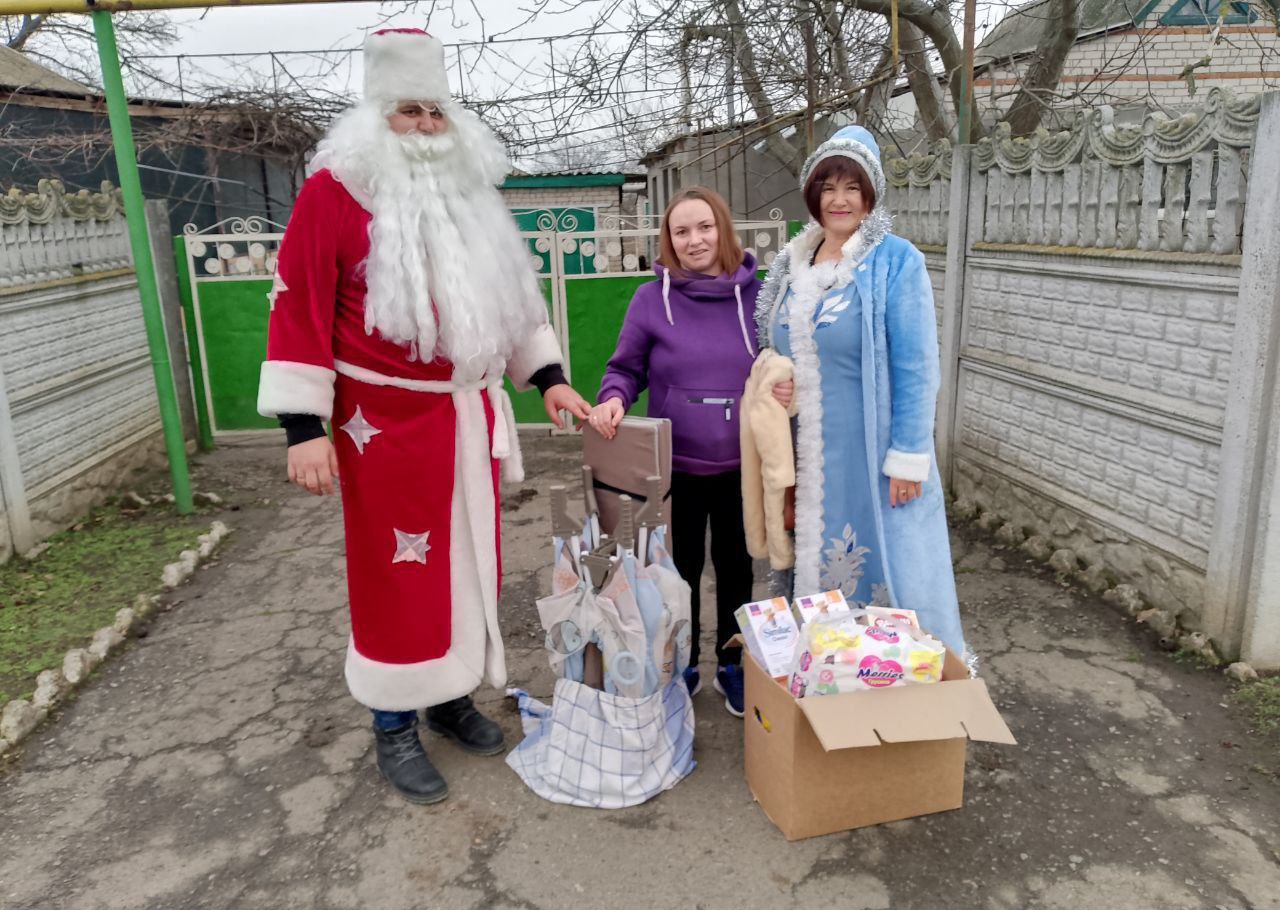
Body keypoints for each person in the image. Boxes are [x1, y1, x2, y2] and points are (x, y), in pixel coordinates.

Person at [257, 28, 591, 804]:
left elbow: (512, 300)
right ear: (378, 115)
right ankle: (392, 722)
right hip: (378, 426)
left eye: (435, 112)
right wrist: (303, 429)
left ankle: (449, 696)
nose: (425, 127)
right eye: (408, 111)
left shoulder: (470, 192)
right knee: (396, 573)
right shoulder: (333, 193)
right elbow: (297, 305)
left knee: (469, 562)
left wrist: (547, 378)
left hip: (463, 421)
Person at [754, 126, 965, 653]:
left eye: (852, 187)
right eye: (828, 187)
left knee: (887, 571)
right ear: (813, 195)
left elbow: (918, 365)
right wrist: (783, 389)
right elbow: (779, 349)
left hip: (872, 455)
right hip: (807, 452)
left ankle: (894, 684)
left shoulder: (896, 261)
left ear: (870, 195)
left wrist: (909, 455)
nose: (840, 199)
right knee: (808, 561)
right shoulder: (792, 263)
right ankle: (823, 672)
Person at [586, 187, 761, 716]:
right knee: (674, 571)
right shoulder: (649, 299)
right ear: (669, 240)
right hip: (672, 470)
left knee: (735, 568)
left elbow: (786, 361)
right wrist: (613, 399)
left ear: (723, 228)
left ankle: (733, 667)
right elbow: (624, 368)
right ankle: (677, 663)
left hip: (740, 467)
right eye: (681, 232)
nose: (694, 240)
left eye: (704, 227)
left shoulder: (762, 294)